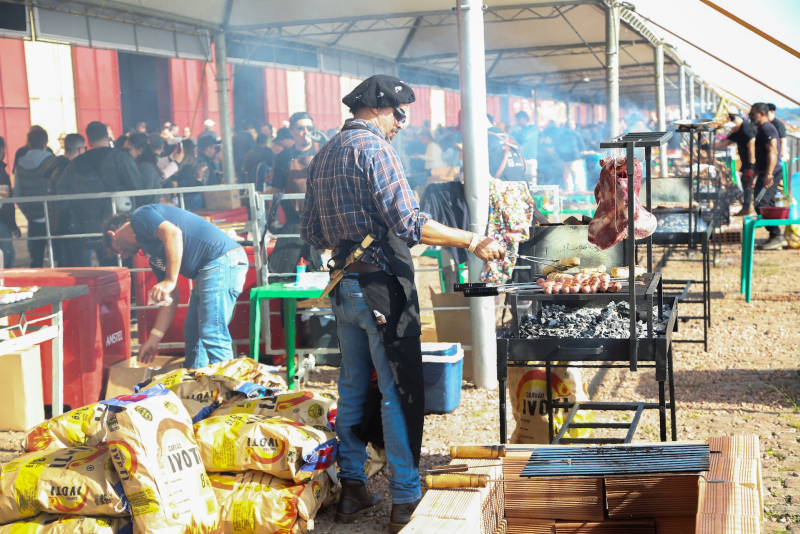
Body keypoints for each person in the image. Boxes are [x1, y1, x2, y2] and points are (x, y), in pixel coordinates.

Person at [301, 75, 506, 532]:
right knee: (398, 391)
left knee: (353, 387)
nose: (401, 124)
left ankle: (353, 487)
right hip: (380, 288)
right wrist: (472, 240)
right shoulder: (374, 149)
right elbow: (410, 223)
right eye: (399, 114)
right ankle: (406, 498)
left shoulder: (322, 156)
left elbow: (312, 233)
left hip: (345, 288)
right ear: (377, 109)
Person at [102, 205, 248, 368]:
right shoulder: (150, 249)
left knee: (211, 331)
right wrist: (153, 339)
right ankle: (194, 383)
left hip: (222, 260)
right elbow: (171, 297)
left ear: (113, 234)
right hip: (211, 269)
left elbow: (173, 233)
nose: (124, 255)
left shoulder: (140, 216)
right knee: (194, 333)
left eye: (118, 249)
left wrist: (169, 280)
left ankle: (230, 387)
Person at [58, 121, 146, 267]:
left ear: (89, 139)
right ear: (107, 136)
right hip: (116, 225)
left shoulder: (75, 162)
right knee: (119, 268)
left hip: (84, 225)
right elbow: (139, 187)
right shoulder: (120, 158)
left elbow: (61, 189)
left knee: (88, 271)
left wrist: (74, 207)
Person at [15, 125, 56, 267]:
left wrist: (27, 214)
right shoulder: (53, 161)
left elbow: (18, 194)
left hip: (32, 219)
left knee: (36, 260)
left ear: (29, 143)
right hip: (52, 218)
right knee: (56, 259)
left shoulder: (20, 164)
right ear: (46, 143)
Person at [750, 103, 786, 250]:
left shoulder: (767, 128)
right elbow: (761, 156)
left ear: (762, 114)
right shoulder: (761, 129)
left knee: (760, 203)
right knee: (768, 205)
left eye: (753, 114)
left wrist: (769, 174)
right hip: (765, 172)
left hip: (771, 172)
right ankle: (775, 237)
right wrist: (756, 176)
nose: (750, 117)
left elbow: (773, 152)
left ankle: (777, 235)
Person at [46, 133, 85, 267]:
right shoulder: (67, 168)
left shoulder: (56, 166)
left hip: (58, 224)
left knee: (66, 264)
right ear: (80, 149)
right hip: (68, 224)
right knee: (77, 264)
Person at [717, 114, 756, 216]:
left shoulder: (746, 129)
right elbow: (724, 142)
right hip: (747, 163)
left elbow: (752, 146)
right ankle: (746, 207)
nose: (729, 130)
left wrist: (751, 166)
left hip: (753, 163)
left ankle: (751, 209)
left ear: (734, 121)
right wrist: (705, 146)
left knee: (749, 184)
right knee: (745, 183)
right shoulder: (737, 131)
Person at [123, 133, 163, 206]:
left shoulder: (145, 166)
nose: (124, 153)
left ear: (140, 150)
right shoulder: (141, 165)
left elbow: (145, 195)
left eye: (127, 150)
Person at [0, 137, 20, 268]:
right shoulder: (1, 173)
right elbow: (4, 201)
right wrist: (13, 225)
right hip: (2, 222)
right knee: (7, 257)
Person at [556, 120, 586, 192]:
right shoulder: (575, 134)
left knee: (568, 177)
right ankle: (581, 192)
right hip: (575, 158)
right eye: (573, 124)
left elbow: (557, 146)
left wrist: (561, 156)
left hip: (565, 159)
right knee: (578, 176)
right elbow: (582, 146)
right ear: (571, 125)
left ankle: (569, 192)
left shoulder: (561, 134)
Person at [511, 110, 539, 179]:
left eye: (518, 120)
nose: (517, 122)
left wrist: (516, 132)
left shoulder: (533, 128)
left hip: (530, 159)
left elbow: (525, 138)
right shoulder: (520, 131)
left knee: (531, 180)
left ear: (525, 119)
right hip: (522, 159)